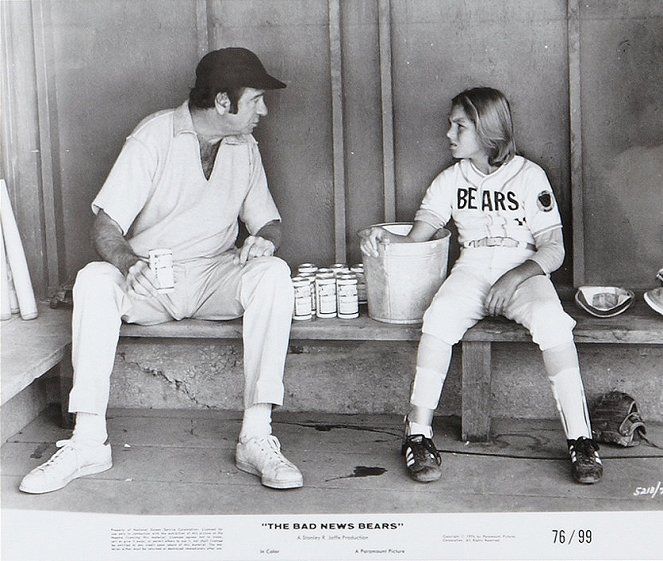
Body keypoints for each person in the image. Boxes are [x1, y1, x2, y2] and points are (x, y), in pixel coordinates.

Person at [20, 47, 303, 493]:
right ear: (224, 102)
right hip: (151, 279)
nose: (264, 111)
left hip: (214, 277)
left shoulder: (244, 146)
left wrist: (265, 239)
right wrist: (130, 265)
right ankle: (88, 439)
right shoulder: (153, 136)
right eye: (256, 100)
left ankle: (256, 434)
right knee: (94, 279)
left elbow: (266, 219)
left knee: (272, 274)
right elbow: (107, 227)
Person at [361, 87, 603, 485]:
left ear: (487, 129)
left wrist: (515, 276)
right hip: (472, 264)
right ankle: (417, 433)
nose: (449, 134)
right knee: (438, 317)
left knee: (552, 321)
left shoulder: (528, 175)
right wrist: (377, 238)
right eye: (451, 125)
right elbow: (415, 237)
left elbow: (554, 249)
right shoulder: (450, 180)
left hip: (523, 267)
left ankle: (581, 438)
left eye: (460, 126)